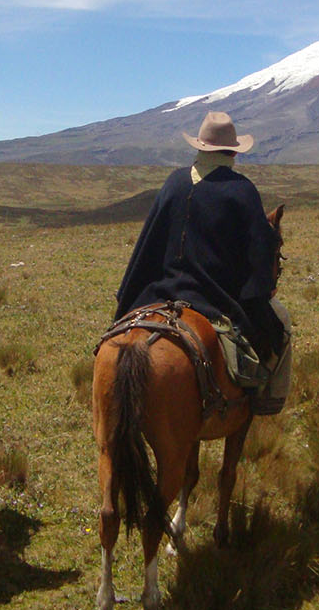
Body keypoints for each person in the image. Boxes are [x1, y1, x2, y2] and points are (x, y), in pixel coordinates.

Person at [114, 111, 290, 413]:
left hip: (158, 292)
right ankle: (266, 399)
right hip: (213, 299)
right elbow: (259, 253)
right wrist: (256, 291)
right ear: (233, 150)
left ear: (200, 146)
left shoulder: (174, 183)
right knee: (281, 321)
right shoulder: (241, 189)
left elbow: (149, 243)